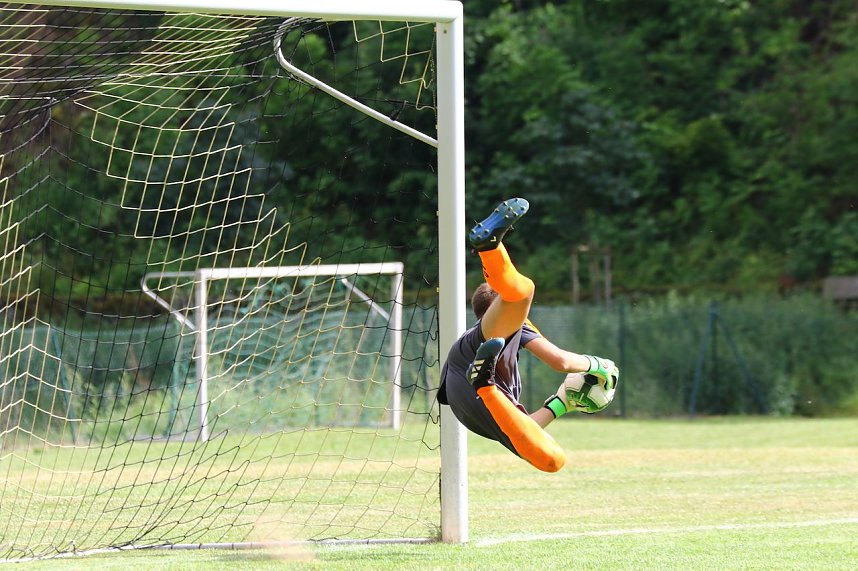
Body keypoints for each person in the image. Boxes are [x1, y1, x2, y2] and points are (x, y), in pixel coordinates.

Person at [437, 197, 619, 473]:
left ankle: (484, 384)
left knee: (552, 460)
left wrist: (561, 403)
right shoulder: (511, 327)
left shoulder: (475, 343)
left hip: (477, 405)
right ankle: (491, 248)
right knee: (523, 290)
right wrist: (598, 365)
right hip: (479, 398)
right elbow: (561, 362)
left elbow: (525, 429)